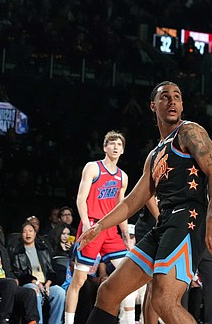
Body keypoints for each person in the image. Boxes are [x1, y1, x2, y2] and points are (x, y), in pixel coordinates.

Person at [78, 80, 212, 324]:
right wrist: (99, 226)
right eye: (165, 96)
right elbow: (133, 200)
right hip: (164, 224)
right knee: (107, 293)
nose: (172, 101)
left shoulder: (190, 132)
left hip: (188, 219)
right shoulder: (155, 154)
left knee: (163, 300)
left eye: (177, 96)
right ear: (152, 105)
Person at [66, 130, 135, 324]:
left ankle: (127, 320)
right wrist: (87, 224)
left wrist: (127, 237)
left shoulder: (123, 177)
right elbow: (81, 198)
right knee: (79, 281)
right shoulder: (93, 168)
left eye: (119, 145)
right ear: (105, 147)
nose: (115, 147)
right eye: (112, 143)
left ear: (123, 150)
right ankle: (68, 321)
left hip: (111, 230)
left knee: (129, 275)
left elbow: (122, 209)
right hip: (93, 225)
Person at [0, 220, 39, 324]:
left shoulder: (2, 249)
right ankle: (3, 319)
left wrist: (14, 278)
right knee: (9, 283)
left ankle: (32, 321)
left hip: (5, 285)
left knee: (29, 292)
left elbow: (8, 270)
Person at [9, 220, 67, 324]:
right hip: (29, 284)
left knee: (60, 292)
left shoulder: (43, 250)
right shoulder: (17, 253)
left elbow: (51, 271)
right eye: (25, 231)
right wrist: (36, 282)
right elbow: (19, 274)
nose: (28, 234)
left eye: (30, 231)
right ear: (21, 234)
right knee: (34, 291)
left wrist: (48, 284)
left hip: (45, 283)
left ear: (35, 234)